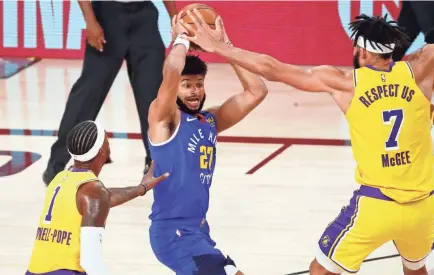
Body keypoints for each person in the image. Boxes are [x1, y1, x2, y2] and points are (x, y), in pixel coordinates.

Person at [182, 11, 434, 275]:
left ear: (361, 52)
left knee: (320, 271)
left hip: (377, 205)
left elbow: (273, 69)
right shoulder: (421, 70)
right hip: (424, 207)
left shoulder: (345, 83)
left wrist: (222, 47)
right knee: (416, 270)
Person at [146, 13, 267, 275]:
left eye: (199, 84)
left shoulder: (209, 121)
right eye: (186, 85)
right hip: (173, 233)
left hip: (199, 229)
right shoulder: (164, 120)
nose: (194, 91)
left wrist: (226, 47)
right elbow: (171, 73)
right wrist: (181, 39)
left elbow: (257, 91)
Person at [42, 0, 177, 185]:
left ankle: (157, 164)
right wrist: (90, 21)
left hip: (145, 17)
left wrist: (174, 18)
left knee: (154, 98)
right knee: (87, 95)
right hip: (107, 16)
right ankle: (56, 165)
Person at [27, 120, 168, 275]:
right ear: (102, 150)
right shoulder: (93, 193)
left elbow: (104, 197)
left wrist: (142, 188)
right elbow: (90, 262)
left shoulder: (61, 179)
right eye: (107, 141)